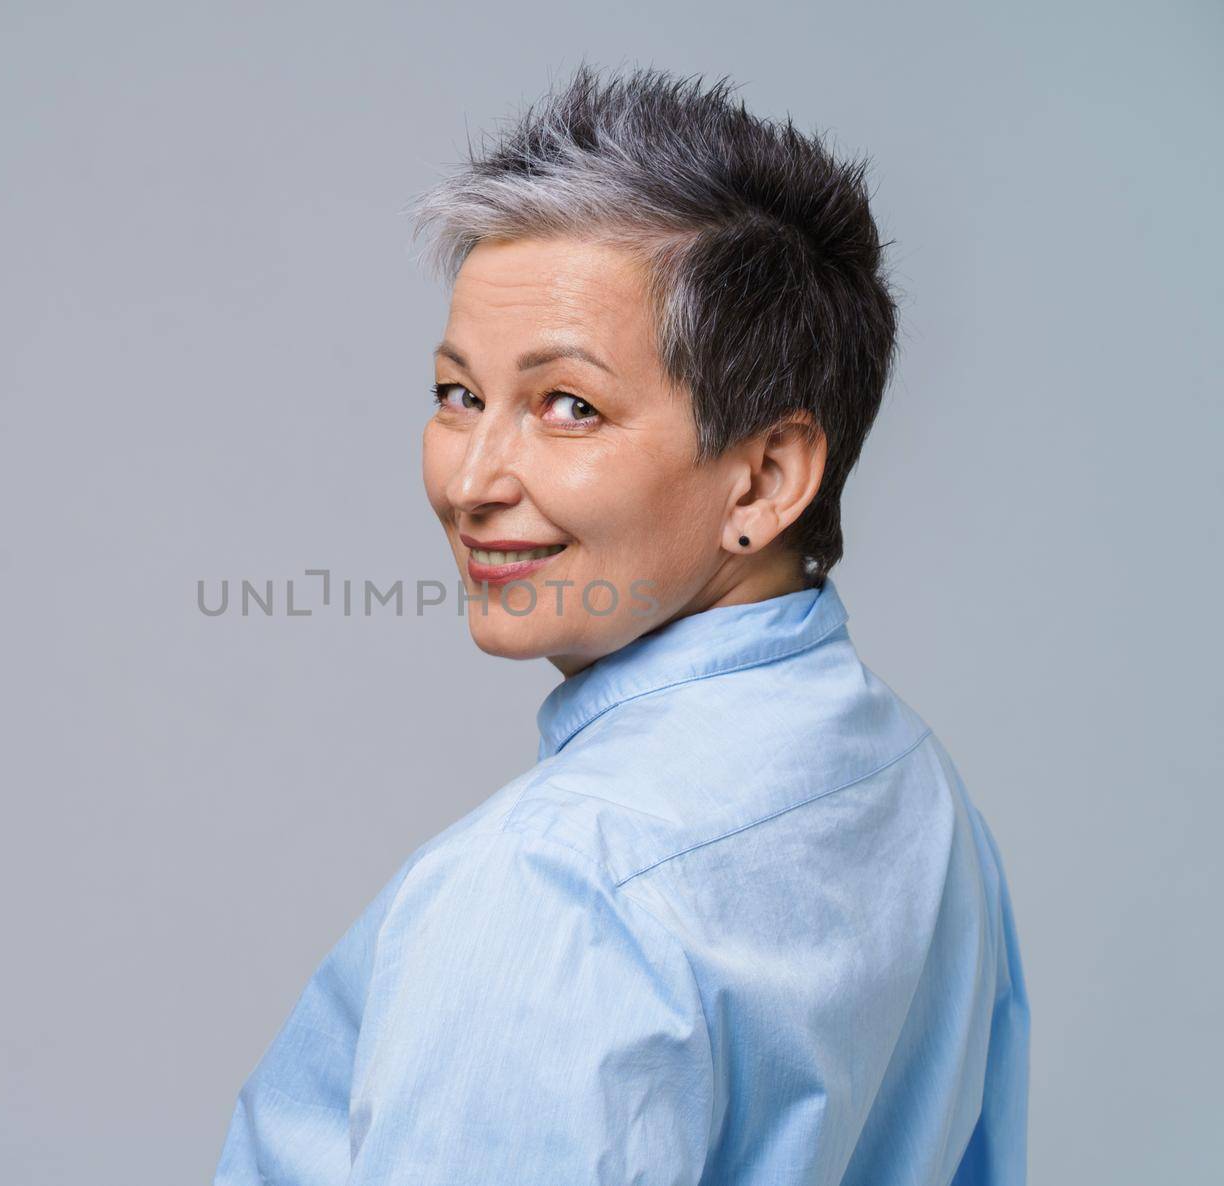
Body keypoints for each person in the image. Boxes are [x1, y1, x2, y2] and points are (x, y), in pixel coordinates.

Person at [213, 63, 1028, 1185]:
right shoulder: (909, 788)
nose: (473, 481)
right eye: (458, 395)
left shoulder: (555, 887)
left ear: (765, 479)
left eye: (569, 406)